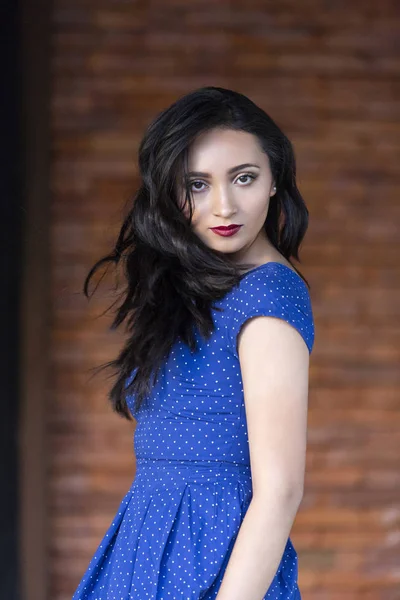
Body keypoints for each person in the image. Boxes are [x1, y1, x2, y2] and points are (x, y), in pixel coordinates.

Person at [72, 86, 315, 600]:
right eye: (196, 185)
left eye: (244, 178)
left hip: (217, 567)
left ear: (275, 180)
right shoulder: (202, 285)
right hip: (145, 547)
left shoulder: (268, 292)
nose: (223, 206)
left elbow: (281, 490)